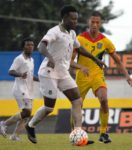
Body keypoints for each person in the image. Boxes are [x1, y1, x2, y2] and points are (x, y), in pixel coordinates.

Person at [25, 5, 106, 144]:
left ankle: (78, 134)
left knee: (77, 101)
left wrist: (96, 59)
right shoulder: (54, 31)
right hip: (48, 72)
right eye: (72, 19)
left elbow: (79, 48)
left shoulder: (72, 34)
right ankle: (30, 125)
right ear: (64, 18)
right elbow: (41, 46)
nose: (75, 21)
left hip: (63, 73)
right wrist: (50, 58)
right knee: (49, 108)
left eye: (76, 19)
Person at [72, 11, 132, 143]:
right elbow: (70, 61)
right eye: (92, 22)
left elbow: (117, 61)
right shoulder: (79, 39)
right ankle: (75, 134)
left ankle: (103, 133)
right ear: (88, 22)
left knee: (104, 100)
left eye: (97, 22)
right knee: (77, 105)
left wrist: (127, 76)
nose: (94, 24)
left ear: (100, 24)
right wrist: (80, 68)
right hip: (81, 76)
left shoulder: (105, 41)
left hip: (97, 75)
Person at [0, 38, 39, 141]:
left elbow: (30, 75)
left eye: (32, 45)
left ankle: (15, 136)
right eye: (28, 45)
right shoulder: (19, 59)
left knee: (26, 116)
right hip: (20, 89)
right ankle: (3, 124)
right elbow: (10, 71)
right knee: (26, 112)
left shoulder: (32, 60)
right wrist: (21, 74)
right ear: (23, 47)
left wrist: (40, 79)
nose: (30, 46)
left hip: (29, 90)